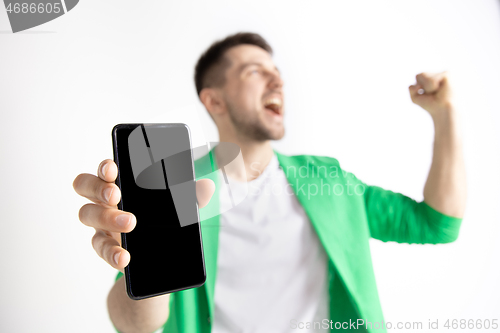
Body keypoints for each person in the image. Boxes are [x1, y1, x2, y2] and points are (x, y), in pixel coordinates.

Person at [73, 32, 466, 333]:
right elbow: (135, 323)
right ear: (215, 101)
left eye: (277, 74)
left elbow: (436, 224)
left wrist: (445, 114)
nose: (277, 82)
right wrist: (142, 266)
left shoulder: (328, 180)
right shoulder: (176, 188)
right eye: (256, 72)